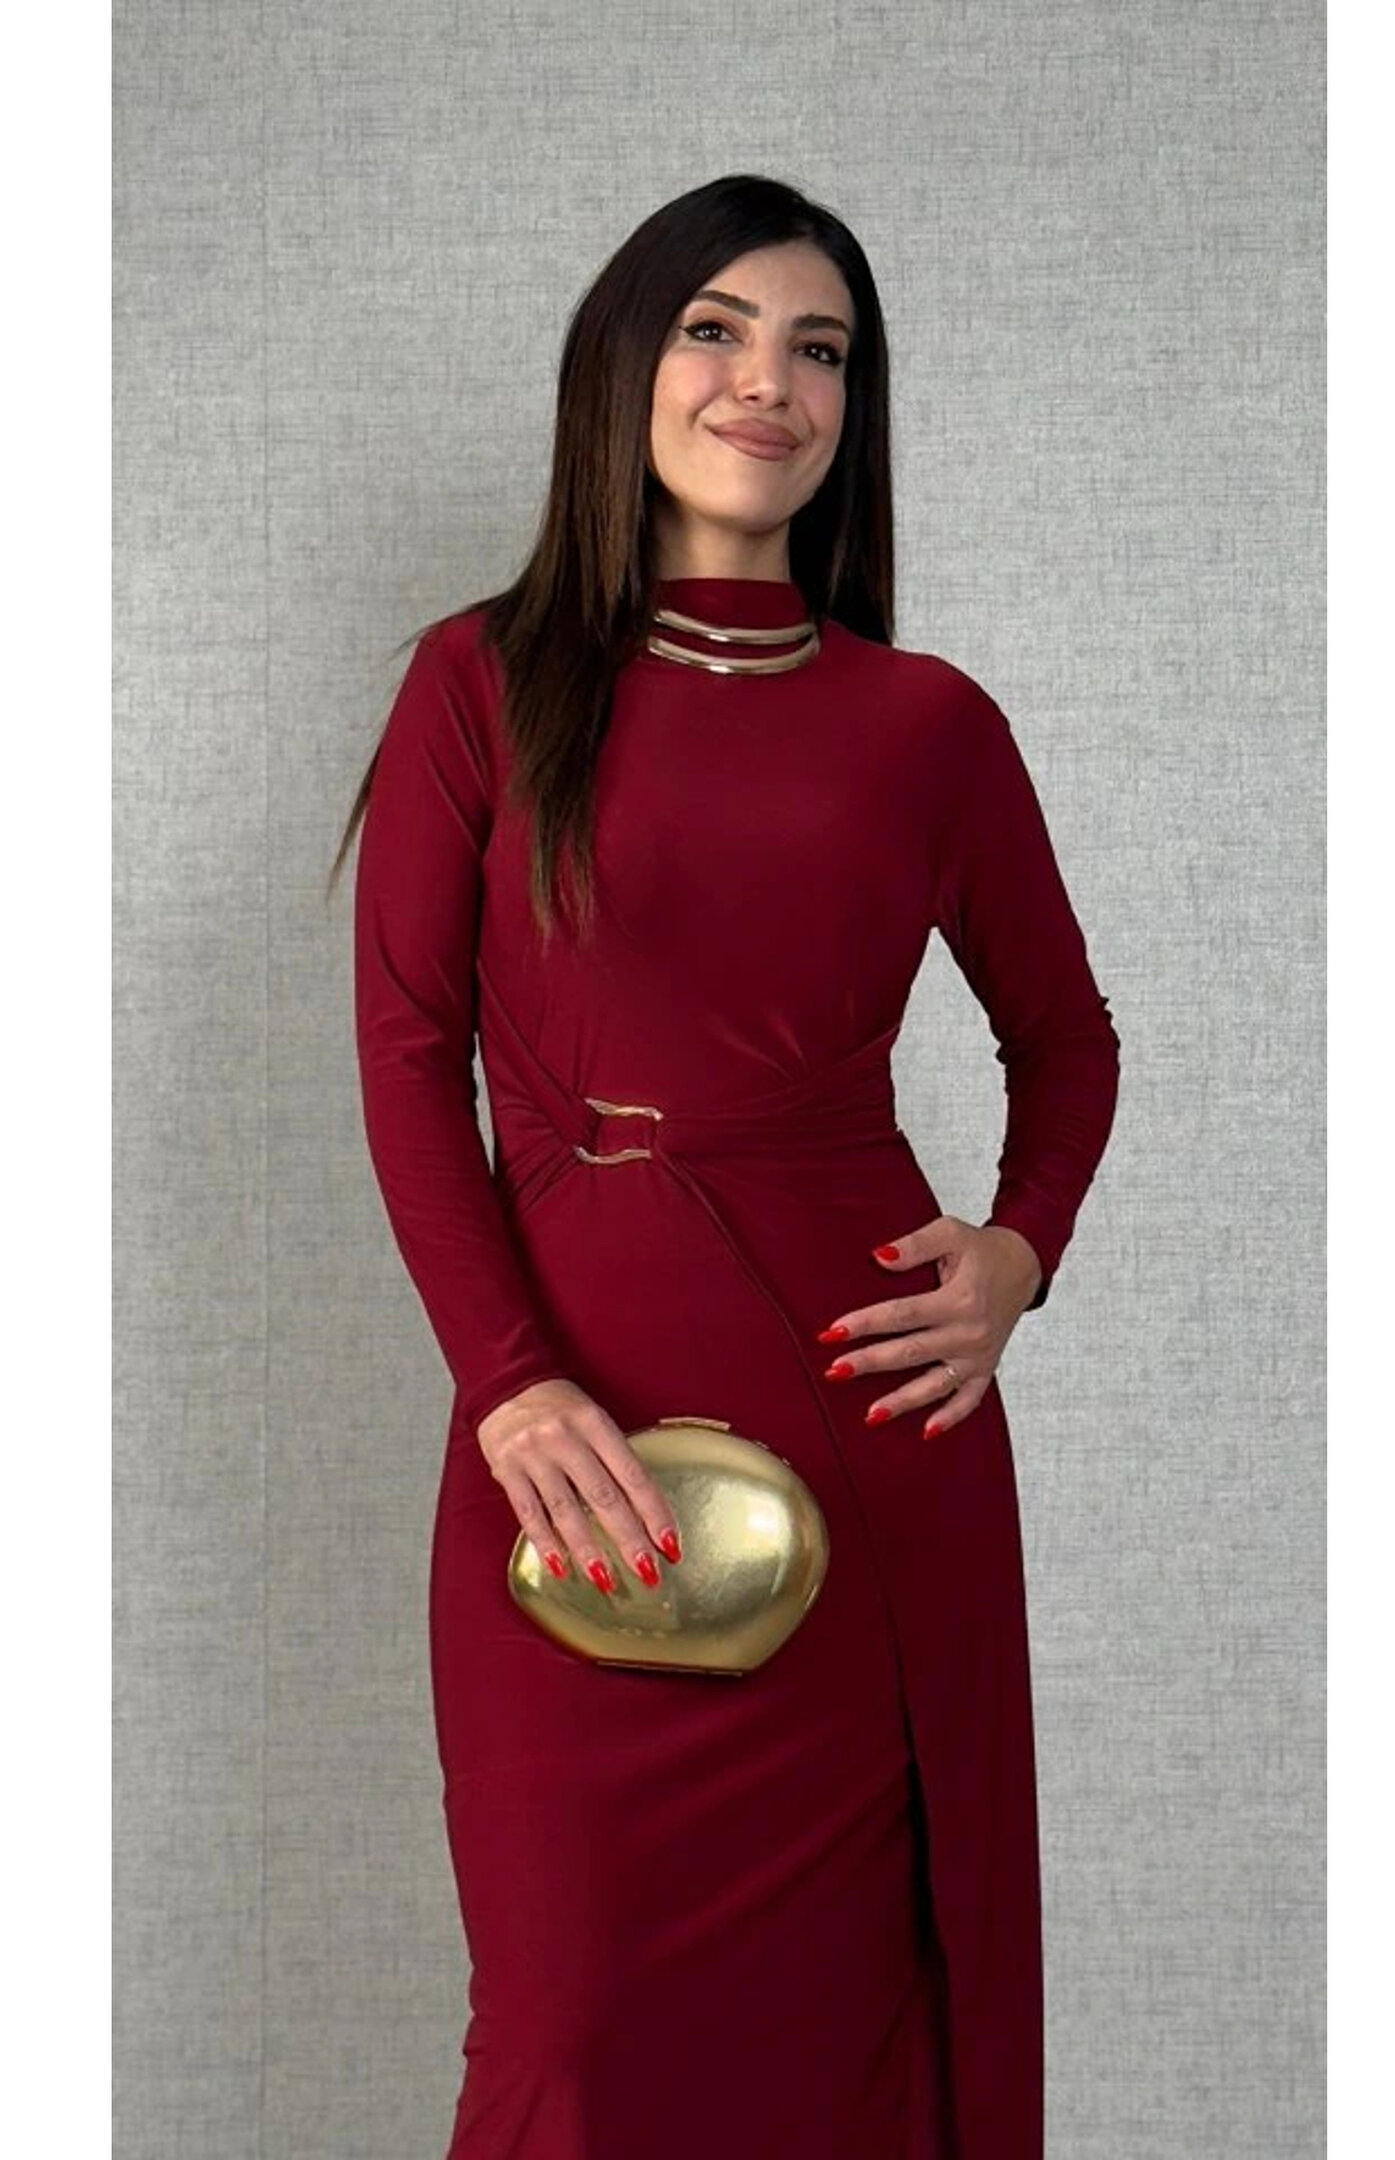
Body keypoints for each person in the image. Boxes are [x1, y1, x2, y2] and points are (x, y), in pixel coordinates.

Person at [337, 172, 1120, 2160]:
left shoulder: (928, 725)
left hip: (877, 1433)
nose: (769, 381)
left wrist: (1017, 1255)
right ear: (625, 364)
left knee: (867, 2032)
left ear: (855, 407)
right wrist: (509, 1384)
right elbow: (411, 1063)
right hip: (570, 1429)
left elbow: (1070, 1044)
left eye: (820, 349)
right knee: (570, 2027)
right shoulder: (478, 683)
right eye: (716, 328)